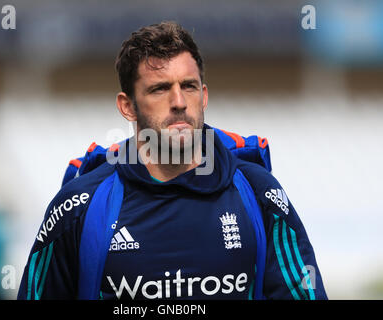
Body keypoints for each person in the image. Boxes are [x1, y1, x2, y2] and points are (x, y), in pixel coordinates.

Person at [17, 21, 327, 300]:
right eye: (160, 89)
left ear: (203, 96)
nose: (178, 102)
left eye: (188, 86)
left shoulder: (258, 193)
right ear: (128, 107)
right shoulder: (80, 205)